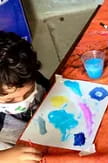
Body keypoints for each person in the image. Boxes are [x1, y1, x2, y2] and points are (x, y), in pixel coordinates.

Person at [0, 31, 50, 162]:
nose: (22, 102)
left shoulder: (28, 76)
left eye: (28, 93)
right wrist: (4, 158)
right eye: (9, 100)